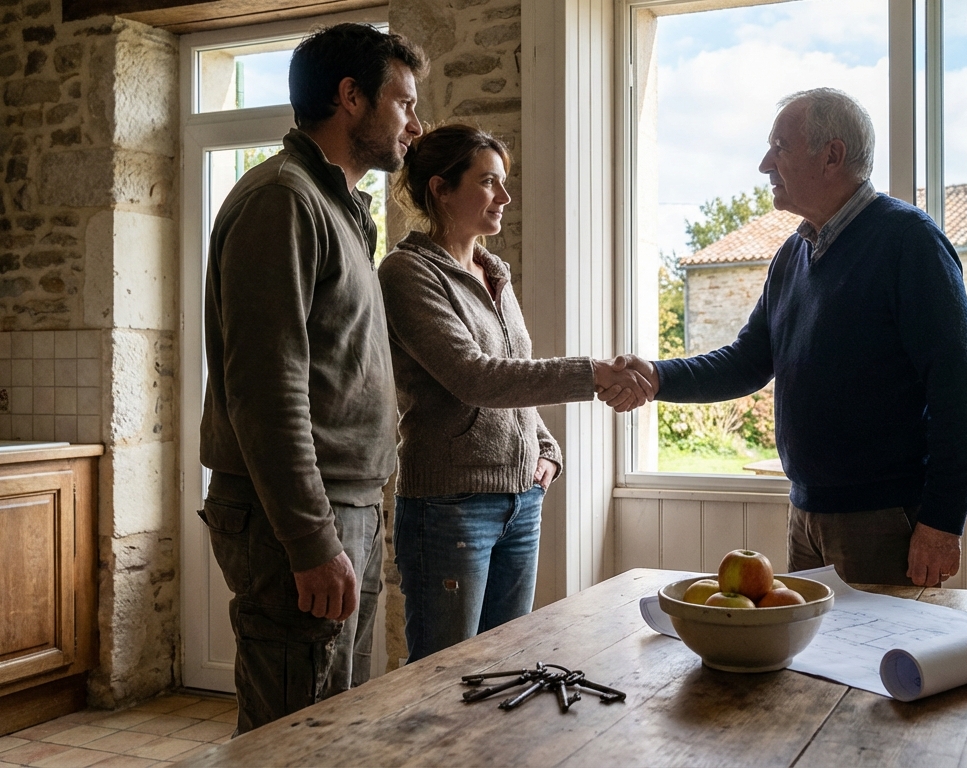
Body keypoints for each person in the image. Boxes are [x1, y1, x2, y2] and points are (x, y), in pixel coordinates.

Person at [623, 87, 967, 587]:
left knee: (871, 664)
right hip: (806, 515)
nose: (764, 164)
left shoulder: (909, 241)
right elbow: (747, 361)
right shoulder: (793, 254)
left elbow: (961, 389)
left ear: (832, 155)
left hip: (884, 521)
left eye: (780, 147)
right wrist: (655, 376)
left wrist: (942, 523)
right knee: (811, 664)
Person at [198, 23, 427, 733]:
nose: (415, 125)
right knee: (293, 739)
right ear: (350, 97)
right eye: (404, 103)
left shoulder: (335, 206)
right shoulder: (284, 200)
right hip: (297, 519)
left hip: (339, 508)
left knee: (336, 729)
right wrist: (311, 540)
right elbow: (266, 390)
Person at [378, 123, 654, 662]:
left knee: (507, 667)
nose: (505, 197)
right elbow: (475, 376)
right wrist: (593, 372)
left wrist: (546, 449)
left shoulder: (492, 270)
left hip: (521, 503)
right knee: (444, 675)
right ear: (440, 188)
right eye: (488, 182)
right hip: (450, 506)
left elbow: (514, 374)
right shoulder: (406, 273)